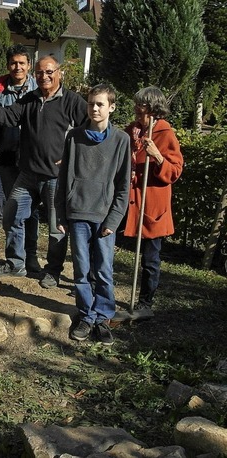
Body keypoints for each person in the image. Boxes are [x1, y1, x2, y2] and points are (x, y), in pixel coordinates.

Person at [0, 55, 88, 288]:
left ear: (59, 73)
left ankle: (53, 272)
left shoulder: (72, 101)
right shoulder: (29, 100)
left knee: (57, 229)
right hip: (27, 175)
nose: (44, 76)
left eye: (49, 72)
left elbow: (90, 129)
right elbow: (7, 117)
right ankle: (16, 264)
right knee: (12, 215)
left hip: (56, 178)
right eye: (39, 73)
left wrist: (72, 156)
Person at [56, 84, 131, 345]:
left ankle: (103, 318)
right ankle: (86, 315)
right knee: (81, 269)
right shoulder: (74, 136)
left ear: (111, 107)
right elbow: (63, 178)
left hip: (104, 218)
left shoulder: (121, 140)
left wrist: (113, 219)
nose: (94, 108)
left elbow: (123, 186)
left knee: (103, 270)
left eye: (100, 104)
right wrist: (61, 214)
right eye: (91, 103)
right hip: (77, 213)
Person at [123, 86, 183, 310]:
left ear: (154, 108)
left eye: (143, 105)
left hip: (153, 204)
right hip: (131, 200)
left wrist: (157, 156)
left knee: (150, 259)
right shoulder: (131, 131)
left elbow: (175, 172)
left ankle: (145, 302)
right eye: (137, 104)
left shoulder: (165, 133)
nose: (138, 109)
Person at [0, 44, 41, 273]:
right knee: (12, 209)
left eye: (22, 63)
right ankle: (15, 259)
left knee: (32, 211)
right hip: (8, 157)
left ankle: (31, 256)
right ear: (8, 65)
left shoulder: (40, 89)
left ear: (29, 65)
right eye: (13, 63)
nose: (17, 67)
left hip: (34, 159)